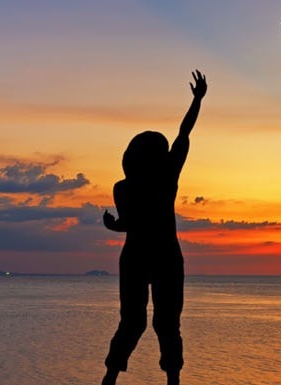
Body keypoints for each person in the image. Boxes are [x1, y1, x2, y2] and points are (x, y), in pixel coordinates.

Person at [100, 71, 207, 385]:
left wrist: (112, 226)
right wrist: (197, 100)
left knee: (132, 322)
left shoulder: (123, 187)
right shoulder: (166, 176)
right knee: (166, 324)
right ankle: (172, 379)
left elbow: (129, 225)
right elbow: (184, 134)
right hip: (165, 257)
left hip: (136, 255)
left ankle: (110, 378)